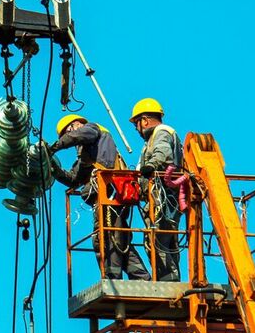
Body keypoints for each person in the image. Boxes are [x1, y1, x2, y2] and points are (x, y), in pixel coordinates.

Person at [49, 114, 150, 281]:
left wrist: (54, 146)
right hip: (109, 196)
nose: (70, 139)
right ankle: (142, 279)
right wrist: (52, 165)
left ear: (76, 124)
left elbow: (79, 135)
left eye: (68, 133)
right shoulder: (88, 152)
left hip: (110, 194)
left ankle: (112, 280)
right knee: (119, 238)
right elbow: (73, 179)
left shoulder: (92, 129)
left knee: (105, 238)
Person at [130, 97, 184, 282]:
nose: (137, 129)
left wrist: (150, 165)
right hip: (163, 197)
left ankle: (167, 280)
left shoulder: (161, 132)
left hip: (164, 197)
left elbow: (163, 154)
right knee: (165, 239)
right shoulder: (153, 139)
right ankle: (169, 278)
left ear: (144, 120)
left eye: (136, 124)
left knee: (157, 240)